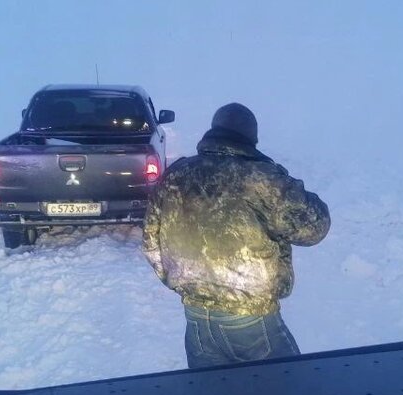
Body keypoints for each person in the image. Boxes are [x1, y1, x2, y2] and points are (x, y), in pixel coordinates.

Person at [142, 103, 331, 368]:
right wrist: (282, 179)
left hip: (196, 321)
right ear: (251, 140)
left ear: (214, 131)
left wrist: (184, 284)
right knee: (293, 388)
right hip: (252, 320)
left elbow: (151, 241)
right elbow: (315, 227)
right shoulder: (259, 178)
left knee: (215, 392)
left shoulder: (176, 174)